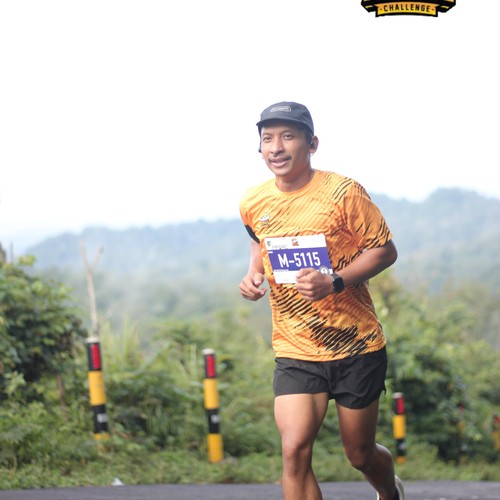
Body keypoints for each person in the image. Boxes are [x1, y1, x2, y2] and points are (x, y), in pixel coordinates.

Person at [239, 101, 404, 500]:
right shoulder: (253, 202)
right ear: (260, 148)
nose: (276, 147)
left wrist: (334, 282)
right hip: (295, 347)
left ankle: (389, 492)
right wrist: (253, 274)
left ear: (312, 144)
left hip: (355, 344)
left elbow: (384, 251)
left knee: (360, 454)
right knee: (294, 450)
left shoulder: (343, 193)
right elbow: (259, 242)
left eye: (288, 137)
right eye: (268, 139)